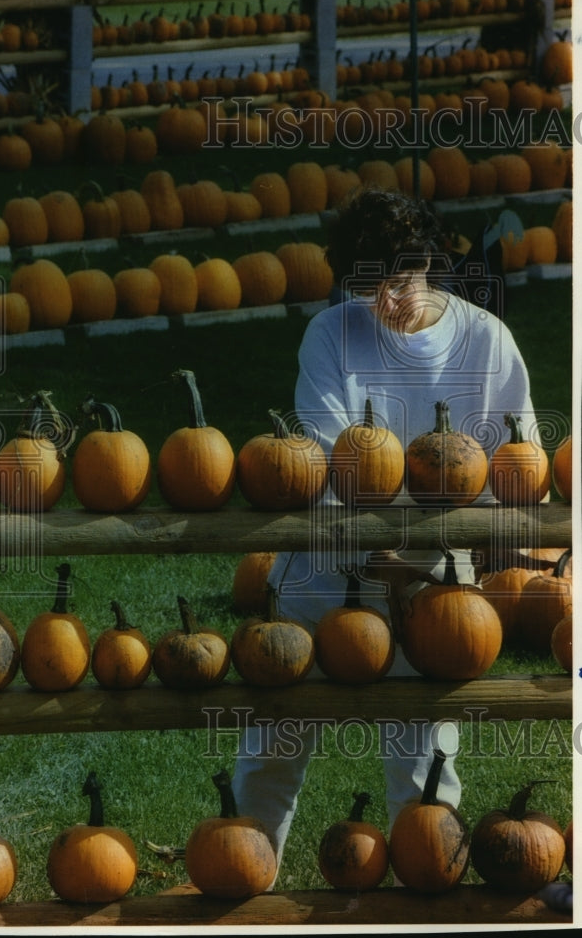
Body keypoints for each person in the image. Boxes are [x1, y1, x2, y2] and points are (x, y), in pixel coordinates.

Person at [230, 187, 544, 880]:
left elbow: (512, 473)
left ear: (429, 262)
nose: (386, 303)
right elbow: (322, 455)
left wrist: (428, 564)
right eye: (369, 287)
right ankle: (242, 890)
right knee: (272, 749)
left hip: (435, 590)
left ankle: (423, 901)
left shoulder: (486, 340)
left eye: (398, 282)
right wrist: (384, 551)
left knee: (426, 760)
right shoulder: (331, 334)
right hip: (326, 572)